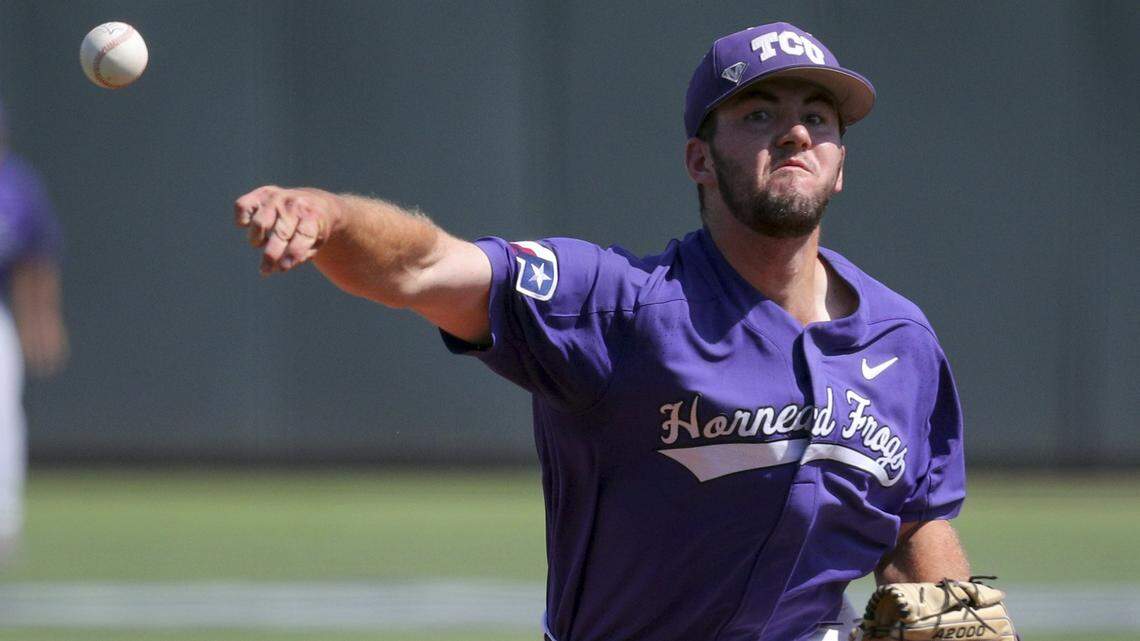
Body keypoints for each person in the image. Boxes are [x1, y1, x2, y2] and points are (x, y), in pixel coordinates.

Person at [234, 22, 973, 641]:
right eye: (759, 115)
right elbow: (426, 266)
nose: (797, 133)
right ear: (700, 161)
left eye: (820, 117)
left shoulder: (900, 342)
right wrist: (333, 217)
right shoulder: (616, 308)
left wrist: (955, 616)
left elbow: (913, 523)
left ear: (839, 165)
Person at [0, 97, 68, 562]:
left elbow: (37, 258)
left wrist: (42, 319)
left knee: (3, 416)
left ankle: (3, 523)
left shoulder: (16, 186)